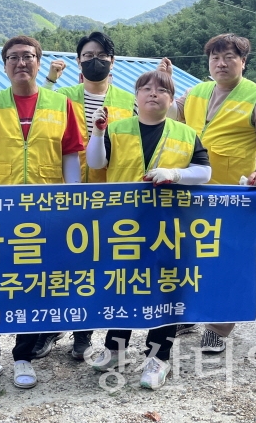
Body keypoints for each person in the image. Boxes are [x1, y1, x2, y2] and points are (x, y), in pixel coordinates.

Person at [0, 35, 85, 390]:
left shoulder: (61, 104)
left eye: (28, 56)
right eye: (13, 57)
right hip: (0, 209)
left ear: (39, 62)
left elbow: (70, 154)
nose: (21, 62)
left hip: (44, 212)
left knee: (32, 285)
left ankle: (23, 356)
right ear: (5, 65)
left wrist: (72, 202)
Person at [158, 33, 256, 352]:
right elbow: (171, 116)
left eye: (229, 56)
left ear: (243, 61)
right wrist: (165, 86)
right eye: (215, 57)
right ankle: (188, 314)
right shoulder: (196, 92)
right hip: (190, 193)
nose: (221, 62)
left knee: (227, 260)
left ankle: (218, 328)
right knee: (187, 257)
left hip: (232, 195)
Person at [86, 70, 211, 390]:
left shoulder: (185, 133)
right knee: (122, 285)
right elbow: (97, 163)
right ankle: (115, 349)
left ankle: (159, 357)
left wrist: (175, 174)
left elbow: (204, 171)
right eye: (145, 88)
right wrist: (98, 134)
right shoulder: (116, 128)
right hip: (124, 225)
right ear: (136, 96)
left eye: (161, 89)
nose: (153, 93)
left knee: (166, 289)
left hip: (168, 227)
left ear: (171, 99)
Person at [38, 31, 136, 360]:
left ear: (113, 60)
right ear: (79, 61)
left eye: (101, 55)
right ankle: (51, 329)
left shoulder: (128, 99)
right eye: (87, 55)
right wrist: (50, 79)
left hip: (110, 196)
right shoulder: (64, 95)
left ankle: (84, 333)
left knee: (97, 265)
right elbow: (37, 106)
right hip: (66, 191)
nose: (95, 60)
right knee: (59, 263)